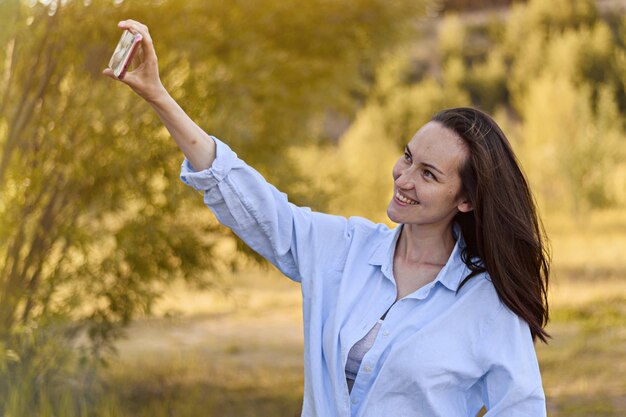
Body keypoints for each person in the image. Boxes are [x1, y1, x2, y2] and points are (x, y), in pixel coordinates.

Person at [104, 20, 550, 417]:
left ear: (467, 199)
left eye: (428, 174)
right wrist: (158, 95)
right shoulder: (344, 248)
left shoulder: (485, 302)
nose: (404, 178)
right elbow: (248, 198)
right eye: (408, 157)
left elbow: (522, 407)